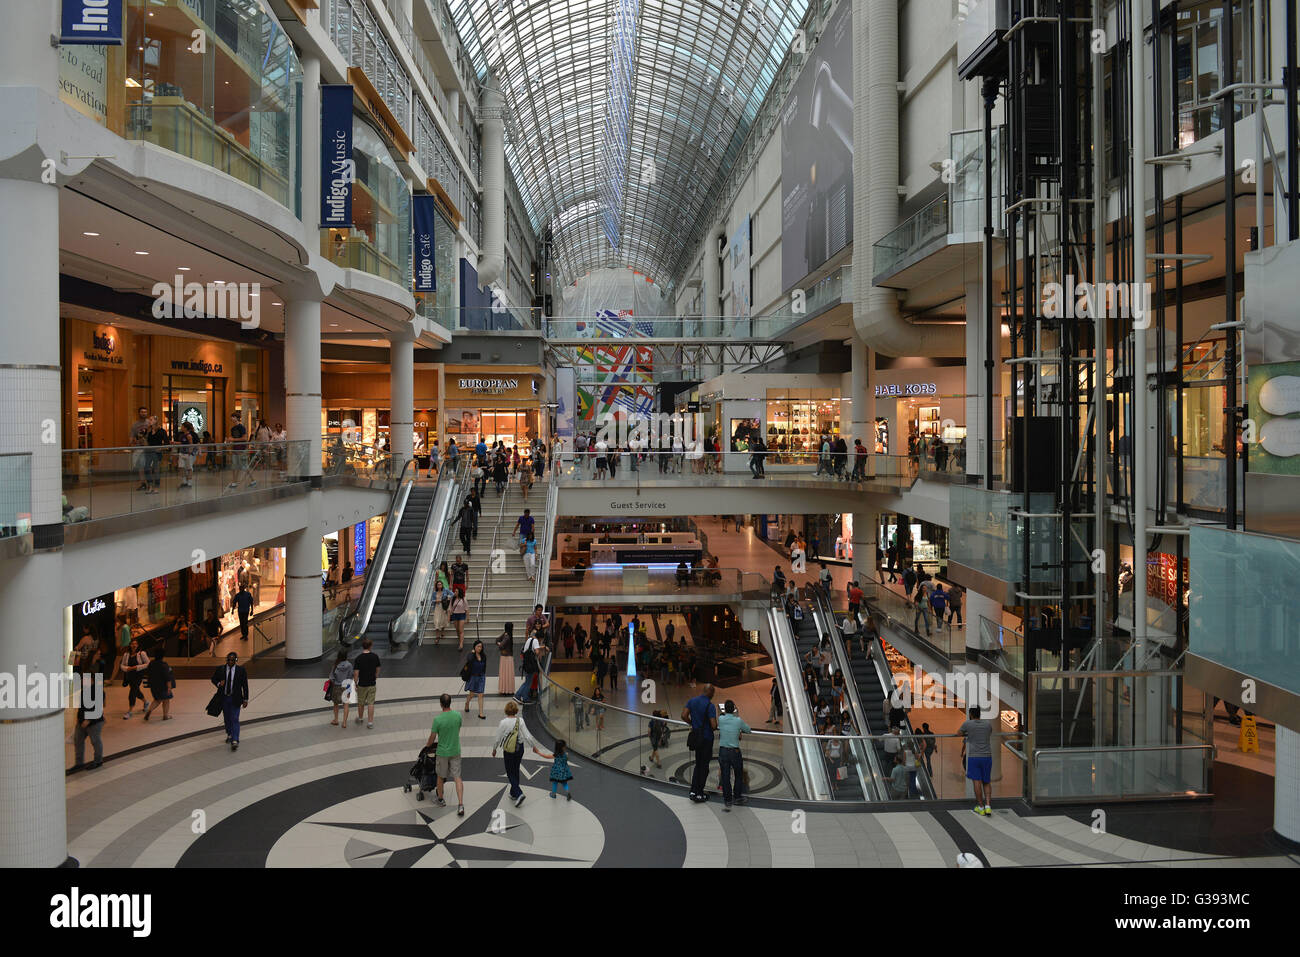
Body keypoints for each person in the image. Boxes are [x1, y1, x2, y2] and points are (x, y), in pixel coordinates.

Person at [492, 699, 552, 807]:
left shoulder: (503, 722)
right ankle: (513, 793)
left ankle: (519, 793)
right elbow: (528, 736)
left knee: (510, 772)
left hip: (508, 750)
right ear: (515, 710)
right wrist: (534, 747)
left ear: (506, 711)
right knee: (515, 769)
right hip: (520, 749)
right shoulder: (521, 721)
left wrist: (494, 749)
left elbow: (497, 738)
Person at [425, 693, 465, 817]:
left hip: (442, 752)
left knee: (440, 776)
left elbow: (432, 738)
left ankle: (441, 799)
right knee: (457, 776)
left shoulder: (438, 720)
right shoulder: (458, 715)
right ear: (450, 703)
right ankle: (460, 804)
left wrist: (428, 746)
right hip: (455, 750)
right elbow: (457, 730)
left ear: (441, 704)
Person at [682, 683, 718, 803]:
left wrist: (693, 723)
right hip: (706, 739)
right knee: (704, 766)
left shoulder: (692, 701)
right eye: (713, 693)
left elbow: (683, 715)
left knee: (698, 764)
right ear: (710, 692)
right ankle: (699, 793)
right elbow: (713, 725)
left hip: (696, 738)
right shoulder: (710, 706)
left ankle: (693, 790)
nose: (713, 695)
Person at [960, 706, 995, 816]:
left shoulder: (968, 724)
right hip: (987, 756)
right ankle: (988, 806)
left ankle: (980, 807)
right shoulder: (987, 724)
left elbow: (958, 733)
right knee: (987, 781)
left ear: (970, 714)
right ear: (980, 714)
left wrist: (969, 734)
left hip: (974, 757)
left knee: (977, 782)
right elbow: (989, 732)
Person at [717, 699, 751, 810]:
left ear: (725, 709)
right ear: (734, 709)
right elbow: (748, 729)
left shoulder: (721, 719)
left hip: (723, 751)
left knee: (725, 776)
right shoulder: (738, 721)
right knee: (738, 775)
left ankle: (727, 800)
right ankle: (737, 797)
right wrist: (739, 730)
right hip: (735, 752)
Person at [211, 651, 249, 751]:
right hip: (224, 698)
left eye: (233, 660)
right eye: (229, 660)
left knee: (235, 718)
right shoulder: (221, 669)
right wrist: (219, 684)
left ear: (236, 660)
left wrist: (246, 699)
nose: (230, 662)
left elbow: (245, 685)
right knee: (227, 718)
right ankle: (229, 734)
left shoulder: (241, 670)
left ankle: (235, 739)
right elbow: (213, 679)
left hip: (235, 698)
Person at [350, 638, 381, 728]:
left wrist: (355, 683)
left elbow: (356, 673)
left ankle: (360, 718)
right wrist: (376, 675)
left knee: (361, 702)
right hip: (372, 683)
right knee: (371, 703)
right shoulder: (375, 656)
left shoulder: (358, 658)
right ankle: (370, 722)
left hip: (362, 684)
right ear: (370, 646)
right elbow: (378, 668)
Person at [141, 650, 175, 721]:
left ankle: (149, 711)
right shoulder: (164, 665)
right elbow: (167, 677)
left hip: (154, 685)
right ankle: (165, 716)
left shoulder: (151, 663)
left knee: (157, 700)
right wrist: (169, 687)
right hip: (163, 686)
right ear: (163, 656)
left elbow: (148, 673)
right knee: (166, 700)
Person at [120, 639, 150, 718]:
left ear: (138, 645)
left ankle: (130, 711)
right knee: (136, 691)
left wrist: (136, 667)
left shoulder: (141, 653)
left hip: (138, 675)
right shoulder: (126, 654)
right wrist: (127, 669)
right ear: (130, 645)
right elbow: (122, 665)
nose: (134, 645)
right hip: (129, 675)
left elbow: (148, 664)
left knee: (132, 691)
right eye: (132, 644)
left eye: (135, 644)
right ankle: (146, 702)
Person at [516, 627, 545, 702]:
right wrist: (541, 648)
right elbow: (537, 652)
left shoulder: (529, 639)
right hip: (530, 665)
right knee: (528, 682)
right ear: (540, 638)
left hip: (526, 663)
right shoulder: (535, 641)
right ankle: (522, 697)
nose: (541, 641)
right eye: (541, 639)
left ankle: (519, 695)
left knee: (527, 681)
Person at [328, 649, 355, 728]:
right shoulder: (349, 665)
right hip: (346, 686)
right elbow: (350, 677)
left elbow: (331, 677)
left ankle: (336, 720)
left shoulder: (336, 665)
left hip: (336, 686)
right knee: (346, 704)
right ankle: (344, 723)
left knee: (336, 704)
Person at [462, 640, 488, 719]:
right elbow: (469, 660)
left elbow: (484, 667)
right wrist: (472, 653)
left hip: (481, 677)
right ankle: (467, 703)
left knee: (480, 695)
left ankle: (481, 713)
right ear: (474, 647)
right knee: (472, 694)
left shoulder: (483, 656)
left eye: (481, 646)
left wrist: (483, 676)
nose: (480, 648)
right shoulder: (471, 655)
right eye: (478, 646)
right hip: (473, 677)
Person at [496, 622, 516, 696]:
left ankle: (504, 689)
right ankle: (509, 689)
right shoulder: (508, 636)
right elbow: (500, 645)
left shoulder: (506, 635)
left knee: (504, 674)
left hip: (504, 657)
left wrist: (499, 644)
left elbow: (498, 641)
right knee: (508, 674)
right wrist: (500, 645)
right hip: (508, 658)